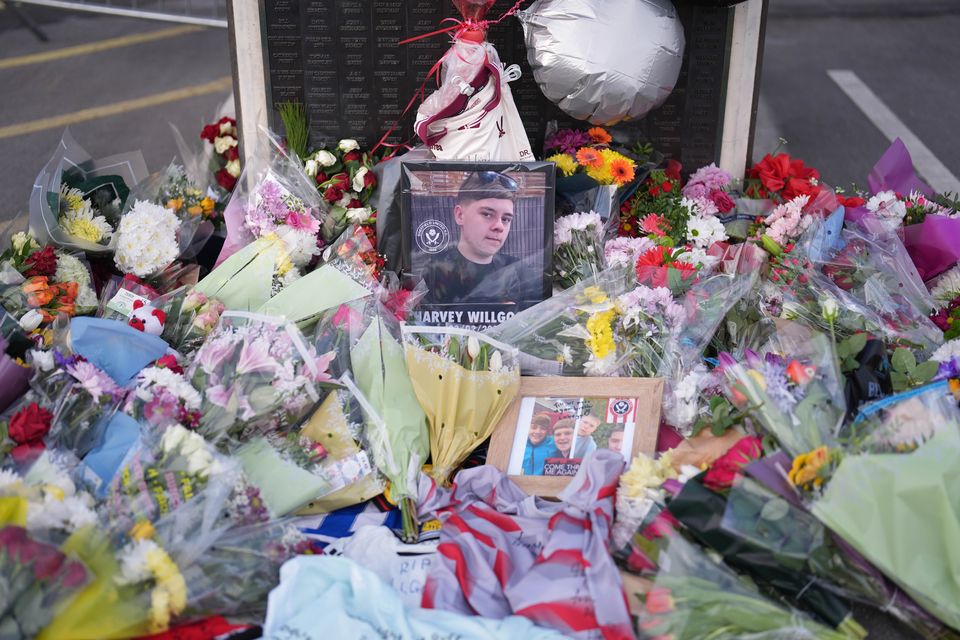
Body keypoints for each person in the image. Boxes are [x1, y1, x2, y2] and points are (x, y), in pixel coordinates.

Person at [419, 171, 538, 305]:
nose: (499, 226)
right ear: (459, 215)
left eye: (505, 219)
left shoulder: (519, 271)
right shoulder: (436, 270)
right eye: (487, 214)